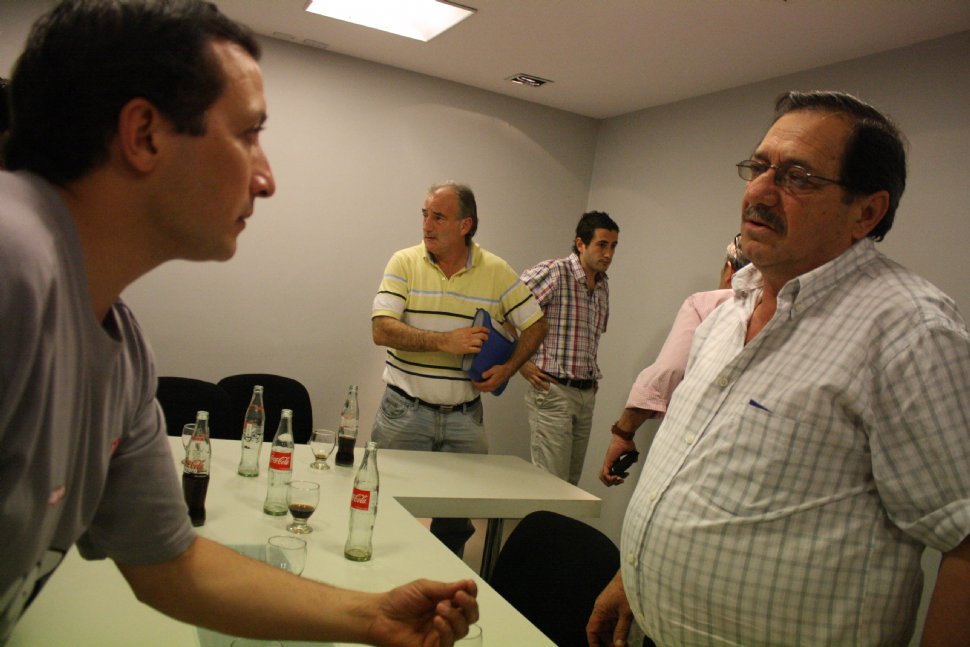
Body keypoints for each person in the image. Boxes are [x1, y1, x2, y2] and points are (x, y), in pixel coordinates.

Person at [0, 2, 477, 645]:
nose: (266, 178)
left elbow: (171, 566)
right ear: (144, 134)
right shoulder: (13, 263)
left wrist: (371, 616)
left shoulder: (119, 348)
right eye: (248, 134)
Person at [587, 91, 970, 647]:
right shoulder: (728, 311)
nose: (759, 191)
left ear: (866, 212)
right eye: (759, 166)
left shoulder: (909, 331)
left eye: (796, 177)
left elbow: (964, 537)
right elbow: (694, 468)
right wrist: (635, 576)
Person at [371, 181, 547, 556]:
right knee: (382, 512)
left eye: (438, 217)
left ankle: (441, 586)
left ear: (465, 225)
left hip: (465, 419)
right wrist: (444, 341)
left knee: (455, 526)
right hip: (404, 412)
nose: (426, 225)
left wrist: (509, 368)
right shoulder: (404, 262)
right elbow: (381, 329)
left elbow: (536, 325)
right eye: (425, 215)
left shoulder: (496, 271)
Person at [599, 234, 748, 487]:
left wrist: (622, 433)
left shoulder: (704, 305)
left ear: (729, 270)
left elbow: (668, 370)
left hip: (696, 454)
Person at [519, 211, 619, 484]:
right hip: (554, 391)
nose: (608, 254)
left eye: (613, 246)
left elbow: (590, 338)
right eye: (602, 244)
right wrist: (521, 363)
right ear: (580, 244)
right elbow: (504, 309)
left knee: (569, 487)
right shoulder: (555, 272)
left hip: (585, 393)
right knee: (550, 485)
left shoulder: (602, 285)